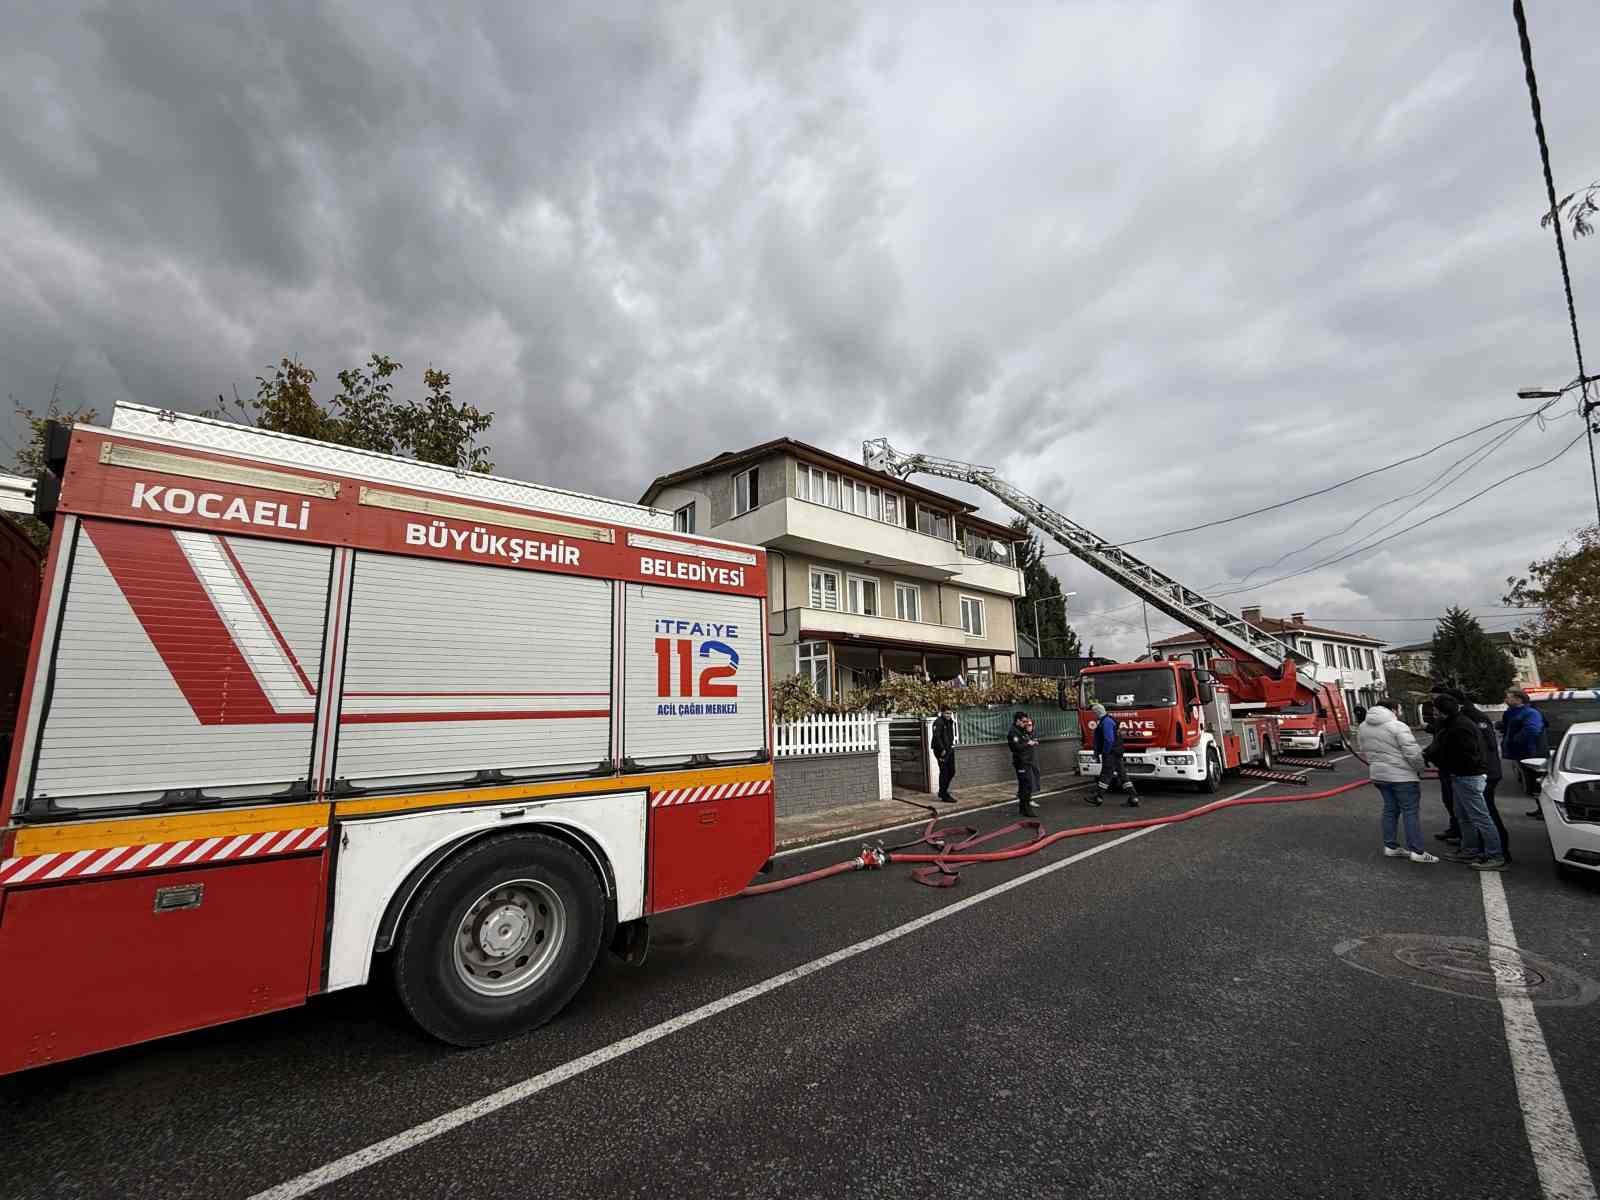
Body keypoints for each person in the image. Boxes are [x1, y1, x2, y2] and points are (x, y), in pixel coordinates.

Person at [1424, 694, 1505, 871]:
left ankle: (1495, 856)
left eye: (1435, 709)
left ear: (1441, 710)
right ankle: (1469, 849)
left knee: (1481, 817)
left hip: (1467, 776)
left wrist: (1442, 761)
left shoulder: (1460, 727)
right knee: (1463, 816)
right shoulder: (1453, 724)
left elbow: (1465, 754)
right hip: (1460, 776)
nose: (1433, 713)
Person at [1361, 700, 1437, 863]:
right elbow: (1412, 752)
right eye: (1400, 708)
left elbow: (1364, 749)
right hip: (1403, 777)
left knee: (1390, 810)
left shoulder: (1363, 727)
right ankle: (1416, 851)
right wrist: (1420, 768)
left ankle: (1391, 846)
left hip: (1379, 775)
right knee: (1410, 812)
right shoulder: (1398, 726)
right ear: (1393, 709)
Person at [1460, 696, 1512, 863]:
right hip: (1480, 770)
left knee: (1486, 813)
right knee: (1483, 813)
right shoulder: (1469, 717)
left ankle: (1499, 852)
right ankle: (1487, 849)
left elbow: (1488, 744)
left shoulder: (1475, 718)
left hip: (1484, 771)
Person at [1501, 688, 1547, 816]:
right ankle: (1540, 809)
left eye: (1509, 697)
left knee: (1537, 782)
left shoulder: (1530, 712)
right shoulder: (1512, 712)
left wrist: (1516, 739)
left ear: (1518, 699)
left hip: (1532, 754)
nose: (1506, 699)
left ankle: (1545, 810)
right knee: (1531, 783)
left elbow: (1532, 730)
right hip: (1522, 753)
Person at [1087, 702, 1139, 808]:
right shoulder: (1107, 720)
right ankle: (1133, 797)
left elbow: (1109, 739)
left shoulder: (1106, 722)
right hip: (1115, 752)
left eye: (1094, 713)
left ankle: (1098, 797)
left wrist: (1105, 752)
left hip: (1111, 753)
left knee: (1106, 774)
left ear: (1097, 712)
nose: (1093, 715)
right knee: (1122, 775)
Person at [1425, 698, 1459, 845]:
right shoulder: (1448, 723)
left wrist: (1426, 756)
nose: (1433, 711)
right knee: (1451, 802)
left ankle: (1469, 842)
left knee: (1459, 805)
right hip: (1449, 768)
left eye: (1435, 708)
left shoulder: (1457, 725)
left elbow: (1445, 745)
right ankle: (1458, 832)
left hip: (1456, 771)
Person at [1007, 711, 1041, 817]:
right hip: (1021, 762)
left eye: (1027, 721)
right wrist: (1028, 743)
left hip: (1027, 761)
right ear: (1018, 721)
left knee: (1024, 786)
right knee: (1027, 785)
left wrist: (1032, 739)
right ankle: (1027, 809)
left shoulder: (1022, 730)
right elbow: (1016, 747)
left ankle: (1023, 808)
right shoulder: (1013, 732)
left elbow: (1029, 736)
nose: (1025, 723)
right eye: (1024, 721)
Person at [931, 704, 958, 804]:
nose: (948, 715)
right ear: (942, 713)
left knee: (952, 771)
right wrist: (942, 749)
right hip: (941, 751)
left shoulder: (950, 722)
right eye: (947, 713)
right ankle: (944, 794)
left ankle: (942, 791)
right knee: (944, 772)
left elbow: (949, 736)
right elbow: (936, 737)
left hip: (949, 749)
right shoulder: (938, 722)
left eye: (950, 713)